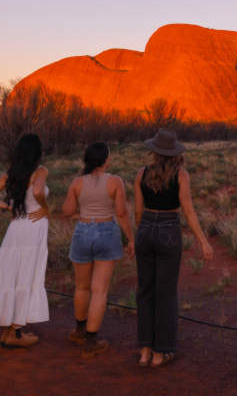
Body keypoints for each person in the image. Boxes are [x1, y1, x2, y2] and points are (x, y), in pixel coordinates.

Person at [133, 128, 213, 368]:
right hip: (169, 230)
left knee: (145, 291)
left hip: (145, 230)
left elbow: (137, 211)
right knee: (165, 294)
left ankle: (145, 351)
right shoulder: (181, 175)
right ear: (174, 152)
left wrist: (141, 235)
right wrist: (203, 241)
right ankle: (160, 353)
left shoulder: (141, 173)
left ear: (155, 152)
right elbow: (188, 212)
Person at [0, 133, 50, 348]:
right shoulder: (41, 171)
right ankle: (15, 332)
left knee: (12, 274)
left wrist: (9, 207)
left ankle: (10, 330)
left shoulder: (12, 174)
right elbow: (37, 190)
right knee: (27, 274)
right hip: (34, 228)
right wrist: (45, 208)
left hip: (16, 227)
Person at [60, 141, 134, 357]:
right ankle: (91, 341)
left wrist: (80, 210)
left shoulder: (77, 182)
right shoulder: (115, 182)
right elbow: (120, 213)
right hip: (106, 232)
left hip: (82, 231)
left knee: (81, 287)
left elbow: (67, 210)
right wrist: (131, 239)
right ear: (105, 159)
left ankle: (79, 331)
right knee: (99, 290)